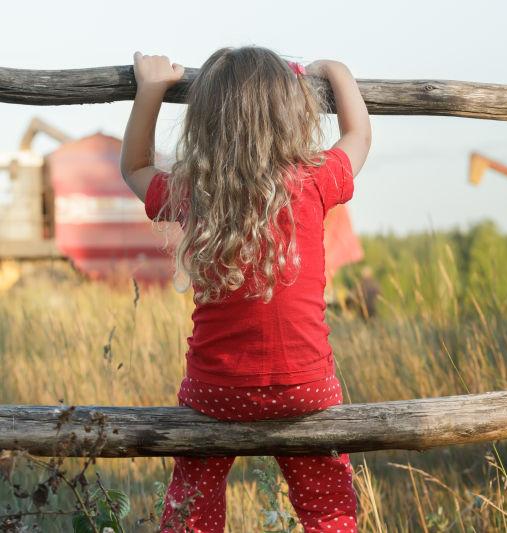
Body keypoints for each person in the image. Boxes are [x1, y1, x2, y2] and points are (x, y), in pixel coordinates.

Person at [120, 46, 371, 533]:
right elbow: (358, 134)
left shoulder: (196, 191)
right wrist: (337, 72)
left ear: (206, 123)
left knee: (193, 504)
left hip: (216, 391)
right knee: (328, 509)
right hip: (306, 391)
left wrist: (151, 89)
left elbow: (134, 167)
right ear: (292, 115)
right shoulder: (315, 180)